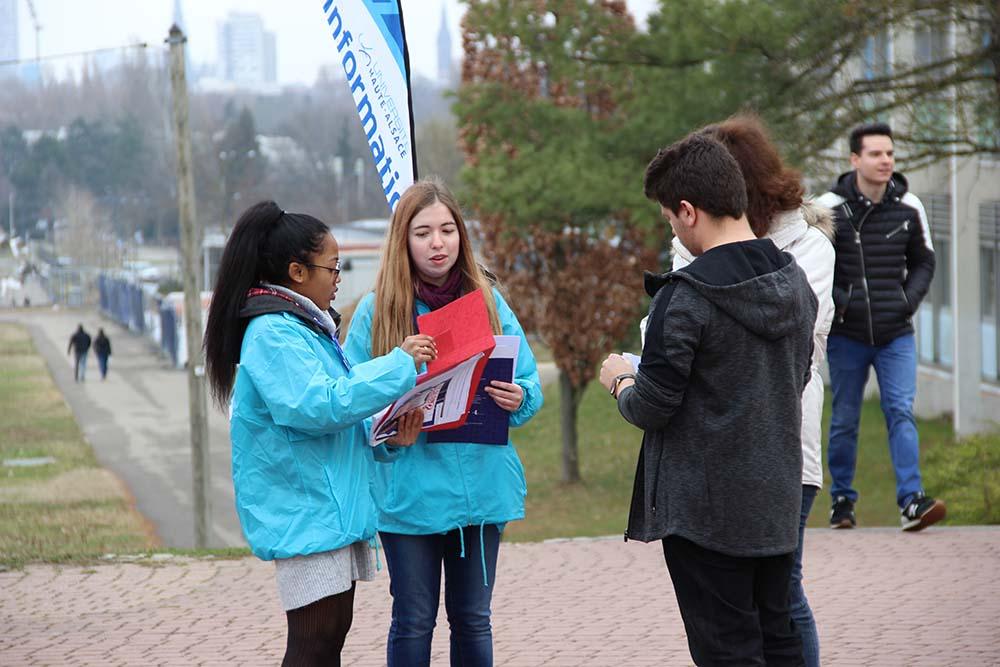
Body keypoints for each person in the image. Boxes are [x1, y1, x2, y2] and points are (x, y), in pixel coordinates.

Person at [601, 133, 817, 666]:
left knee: (727, 650)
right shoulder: (795, 282)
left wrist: (621, 381)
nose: (673, 230)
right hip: (776, 501)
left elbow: (651, 406)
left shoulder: (685, 298)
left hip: (705, 516)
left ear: (688, 211)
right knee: (780, 638)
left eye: (669, 219)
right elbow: (797, 377)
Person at [203, 201, 435, 666]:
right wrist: (399, 365)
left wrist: (387, 438)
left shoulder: (305, 328)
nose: (338, 278)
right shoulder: (272, 333)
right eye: (333, 267)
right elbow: (319, 405)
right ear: (296, 272)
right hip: (305, 510)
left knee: (328, 638)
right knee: (312, 643)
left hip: (327, 509)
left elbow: (339, 410)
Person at [343, 178, 544, 667]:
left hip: (481, 491)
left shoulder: (488, 300)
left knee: (473, 619)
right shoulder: (376, 310)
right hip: (409, 496)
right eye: (423, 233)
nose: (438, 243)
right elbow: (352, 404)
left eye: (447, 230)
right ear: (403, 241)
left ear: (461, 236)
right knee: (413, 619)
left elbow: (529, 380)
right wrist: (390, 437)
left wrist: (519, 396)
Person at [669, 115, 834, 667]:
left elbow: (800, 345)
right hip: (711, 453)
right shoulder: (691, 240)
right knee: (745, 610)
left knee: (780, 601)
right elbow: (666, 329)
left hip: (783, 443)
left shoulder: (807, 247)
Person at [816, 122, 945, 532]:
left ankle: (911, 501)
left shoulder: (909, 205)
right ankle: (842, 501)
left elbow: (925, 261)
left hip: (896, 335)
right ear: (855, 159)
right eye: (875, 154)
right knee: (845, 418)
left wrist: (907, 301)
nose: (885, 160)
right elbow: (814, 266)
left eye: (889, 153)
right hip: (847, 335)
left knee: (900, 411)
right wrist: (841, 302)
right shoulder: (828, 208)